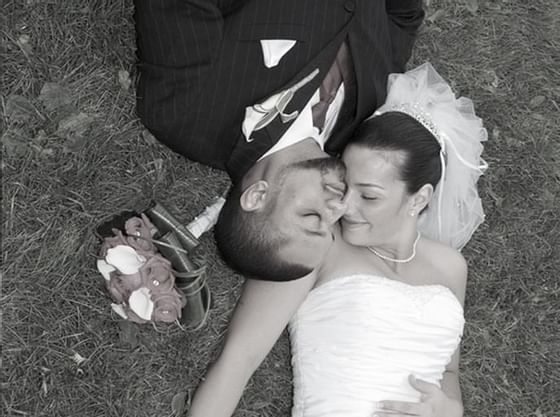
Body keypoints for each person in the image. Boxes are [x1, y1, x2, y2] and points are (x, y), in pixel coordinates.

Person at [187, 63, 488, 416]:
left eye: (370, 195)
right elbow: (238, 360)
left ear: (419, 199)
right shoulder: (317, 246)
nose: (343, 205)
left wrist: (452, 410)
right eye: (346, 184)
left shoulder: (451, 267)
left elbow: (448, 370)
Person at [134, 0, 425, 280]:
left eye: (312, 218)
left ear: (257, 195)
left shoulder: (187, 111)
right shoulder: (364, 119)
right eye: (331, 224)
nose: (339, 208)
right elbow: (400, 22)